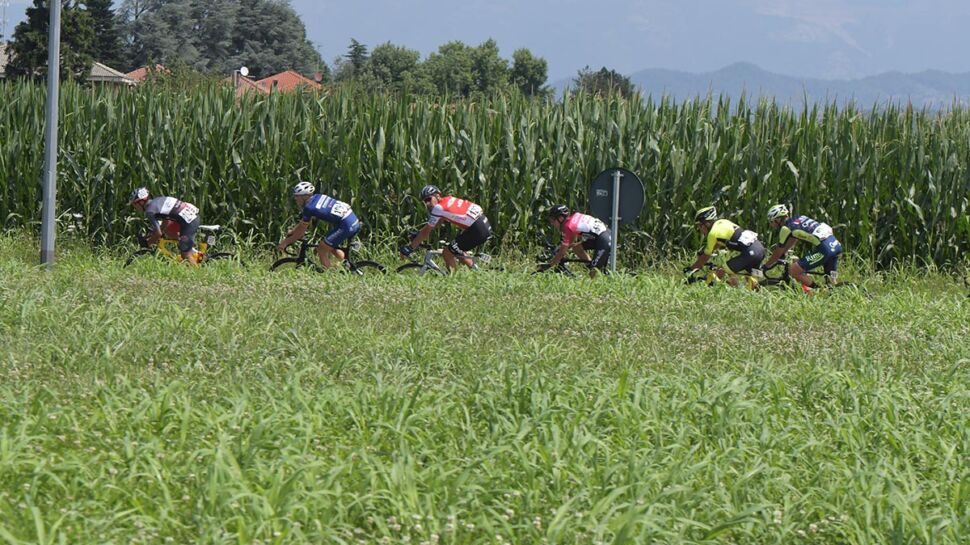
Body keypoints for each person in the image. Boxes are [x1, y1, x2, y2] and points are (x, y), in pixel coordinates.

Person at [400, 185, 492, 272]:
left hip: (477, 229)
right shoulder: (448, 200)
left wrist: (410, 247)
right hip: (482, 224)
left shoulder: (438, 208)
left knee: (447, 252)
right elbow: (436, 224)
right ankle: (476, 272)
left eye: (429, 199)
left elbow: (426, 231)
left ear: (437, 196)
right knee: (456, 250)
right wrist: (418, 236)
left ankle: (453, 281)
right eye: (425, 201)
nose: (427, 204)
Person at [277, 181, 361, 270]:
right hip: (352, 220)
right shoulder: (318, 197)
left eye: (297, 196)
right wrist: (293, 231)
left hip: (345, 225)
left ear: (305, 196)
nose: (295, 198)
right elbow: (303, 223)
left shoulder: (309, 208)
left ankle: (330, 277)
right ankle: (345, 265)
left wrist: (285, 243)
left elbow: (300, 233)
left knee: (321, 249)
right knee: (327, 244)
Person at [762, 204, 843, 292]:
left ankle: (819, 290)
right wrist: (783, 253)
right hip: (836, 245)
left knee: (793, 271)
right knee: (830, 281)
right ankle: (834, 294)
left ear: (778, 219)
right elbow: (793, 239)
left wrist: (767, 265)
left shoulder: (786, 228)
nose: (771, 224)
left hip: (825, 250)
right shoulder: (799, 218)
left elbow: (778, 251)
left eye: (772, 221)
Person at [685, 206, 765, 289]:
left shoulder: (712, 233)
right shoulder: (722, 222)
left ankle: (728, 291)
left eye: (699, 226)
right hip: (760, 250)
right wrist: (707, 252)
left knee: (720, 272)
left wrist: (691, 269)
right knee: (751, 282)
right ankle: (748, 292)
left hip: (750, 253)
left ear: (706, 223)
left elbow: (705, 257)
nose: (699, 229)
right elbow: (720, 242)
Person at [129, 187, 201, 264]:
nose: (135, 207)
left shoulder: (149, 211)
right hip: (189, 218)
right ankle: (192, 250)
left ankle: (199, 274)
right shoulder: (158, 200)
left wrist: (147, 243)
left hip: (188, 222)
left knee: (185, 255)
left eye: (134, 204)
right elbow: (166, 221)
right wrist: (157, 233)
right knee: (169, 232)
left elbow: (158, 233)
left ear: (141, 202)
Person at [544, 204, 611, 276]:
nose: (552, 223)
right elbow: (572, 239)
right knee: (577, 248)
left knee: (594, 273)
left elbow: (562, 253)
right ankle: (591, 265)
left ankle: (593, 270)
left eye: (553, 220)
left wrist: (550, 264)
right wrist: (563, 247)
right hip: (604, 234)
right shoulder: (574, 217)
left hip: (604, 239)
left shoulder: (567, 226)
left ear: (560, 218)